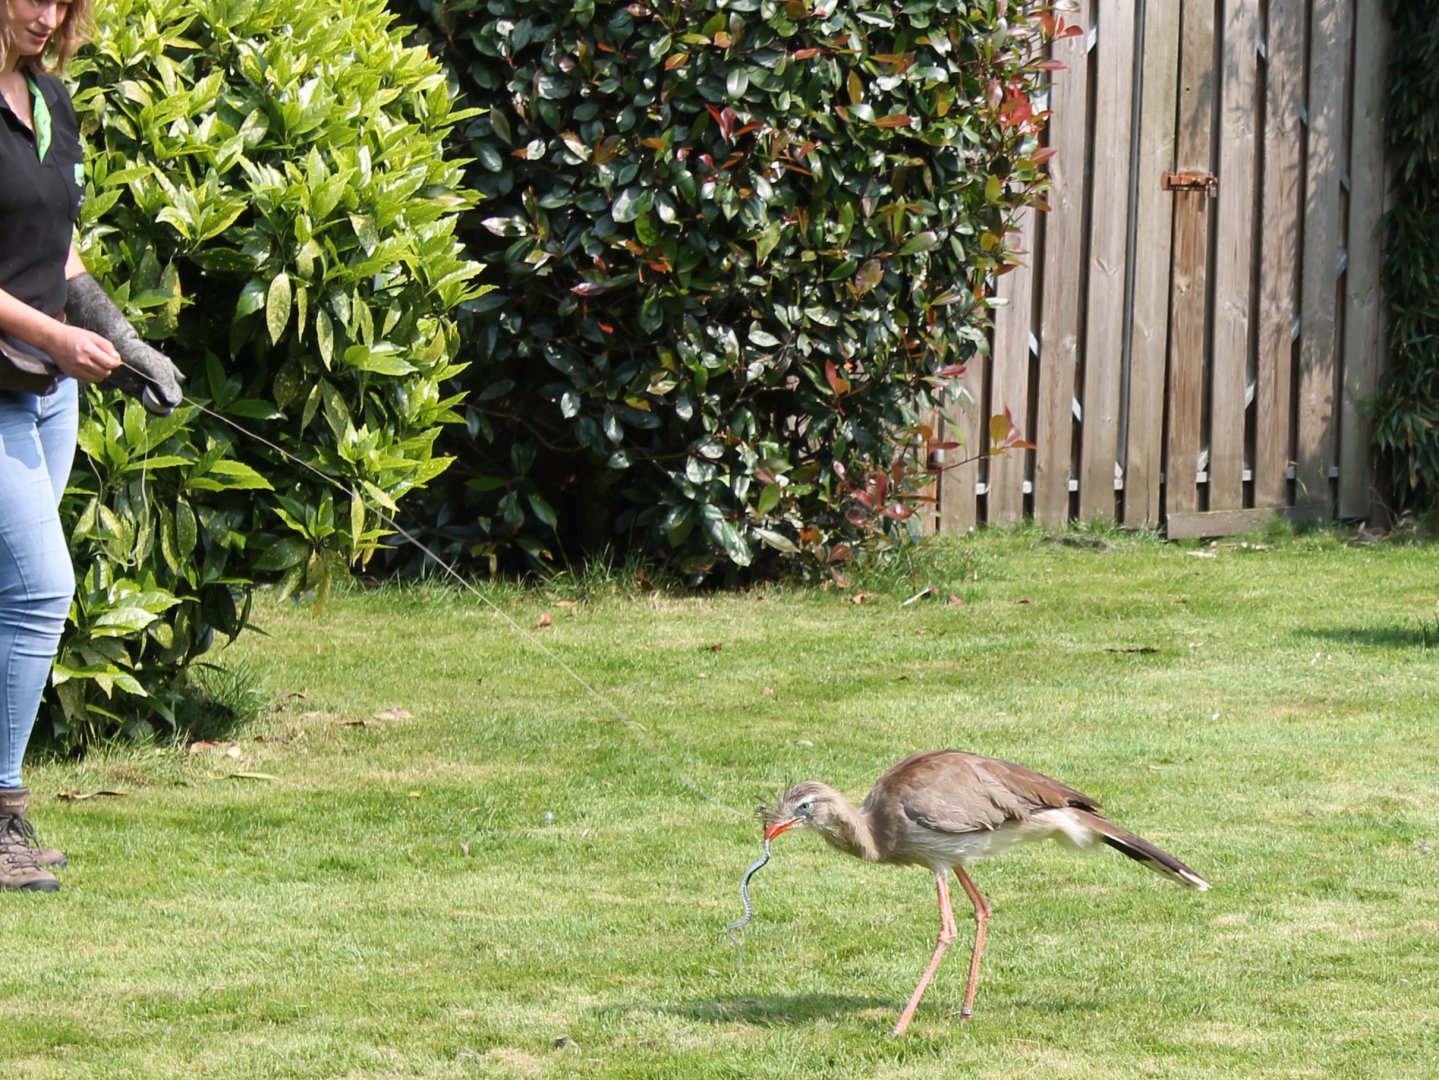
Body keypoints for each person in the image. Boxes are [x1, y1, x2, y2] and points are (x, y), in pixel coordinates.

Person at [0, 0, 182, 891]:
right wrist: (60, 340)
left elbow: (58, 248)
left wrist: (121, 335)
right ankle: (0, 817)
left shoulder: (50, 102)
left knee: (10, 596)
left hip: (46, 396)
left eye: (64, 2)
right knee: (42, 587)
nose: (47, 14)